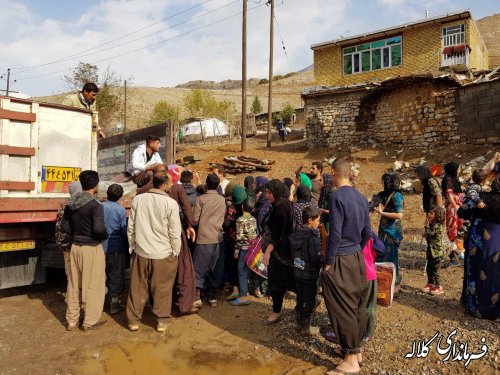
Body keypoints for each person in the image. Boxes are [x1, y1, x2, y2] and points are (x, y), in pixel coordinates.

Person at [322, 158, 371, 375]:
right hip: (357, 256)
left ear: (333, 172)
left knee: (342, 307)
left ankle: (351, 359)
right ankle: (356, 351)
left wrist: (329, 261)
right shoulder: (360, 196)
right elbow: (368, 232)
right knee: (356, 304)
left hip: (342, 257)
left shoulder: (336, 196)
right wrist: (355, 249)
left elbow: (335, 234)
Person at [126, 173, 181, 332]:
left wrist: (132, 246)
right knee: (163, 287)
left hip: (141, 250)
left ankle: (133, 321)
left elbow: (131, 226)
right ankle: (162, 321)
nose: (172, 186)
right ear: (163, 185)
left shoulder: (138, 199)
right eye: (170, 183)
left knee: (137, 287)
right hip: (163, 253)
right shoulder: (170, 203)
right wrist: (175, 252)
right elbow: (174, 232)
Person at [61, 170, 108, 331]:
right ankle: (89, 321)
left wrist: (77, 234)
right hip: (92, 248)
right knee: (93, 284)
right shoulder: (95, 205)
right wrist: (104, 236)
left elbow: (65, 227)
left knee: (74, 284)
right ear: (95, 185)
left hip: (75, 247)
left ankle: (71, 320)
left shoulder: (71, 204)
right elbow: (99, 229)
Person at [459, 173, 500, 319]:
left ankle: (474, 305)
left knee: (475, 270)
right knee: (495, 273)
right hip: (497, 241)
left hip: (478, 239)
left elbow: (462, 212)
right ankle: (494, 309)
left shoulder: (481, 196)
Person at [261, 179, 295, 324]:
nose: (267, 196)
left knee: (277, 282)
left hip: (279, 253)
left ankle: (276, 311)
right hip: (280, 250)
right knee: (288, 279)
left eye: (269, 193)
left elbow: (278, 234)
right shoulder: (280, 204)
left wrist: (268, 251)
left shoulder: (281, 207)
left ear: (276, 191)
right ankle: (310, 299)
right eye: (266, 193)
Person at [192, 173, 227, 308]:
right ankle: (213, 296)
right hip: (218, 238)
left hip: (203, 238)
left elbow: (195, 220)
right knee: (214, 267)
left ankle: (197, 296)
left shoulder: (200, 199)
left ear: (206, 184)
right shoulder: (222, 200)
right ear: (217, 185)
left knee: (199, 268)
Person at [288, 206, 322, 335]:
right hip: (310, 273)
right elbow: (315, 257)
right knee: (309, 300)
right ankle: (305, 328)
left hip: (297, 271)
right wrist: (323, 261)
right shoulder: (312, 237)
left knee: (300, 297)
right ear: (309, 220)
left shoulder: (296, 233)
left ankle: (298, 323)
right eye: (317, 220)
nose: (319, 223)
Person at [167, 176, 198, 315]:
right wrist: (190, 224)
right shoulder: (177, 189)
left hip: (156, 240)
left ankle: (163, 306)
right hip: (176, 234)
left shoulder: (143, 193)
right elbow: (187, 210)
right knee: (184, 268)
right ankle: (184, 305)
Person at [373, 172, 404, 289]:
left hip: (392, 232)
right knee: (383, 255)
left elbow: (399, 214)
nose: (382, 183)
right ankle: (386, 283)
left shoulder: (397, 195)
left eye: (383, 181)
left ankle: (395, 285)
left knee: (391, 257)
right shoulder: (385, 194)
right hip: (384, 230)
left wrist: (381, 213)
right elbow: (374, 199)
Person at [102, 184, 128, 314]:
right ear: (120, 196)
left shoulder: (99, 207)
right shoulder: (121, 211)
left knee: (102, 275)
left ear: (107, 193)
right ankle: (114, 303)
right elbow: (124, 231)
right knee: (116, 275)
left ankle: (101, 302)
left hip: (101, 247)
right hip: (116, 247)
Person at [231, 197, 257, 306]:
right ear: (253, 209)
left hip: (244, 249)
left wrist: (236, 250)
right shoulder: (253, 219)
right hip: (253, 249)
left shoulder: (240, 220)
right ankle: (248, 291)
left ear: (242, 207)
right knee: (249, 271)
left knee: (241, 271)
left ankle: (243, 297)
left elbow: (239, 237)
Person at [55, 181, 82, 281]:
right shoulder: (82, 203)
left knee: (70, 271)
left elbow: (59, 225)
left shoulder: (64, 204)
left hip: (66, 244)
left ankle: (71, 293)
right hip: (78, 242)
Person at [224, 185, 247, 301]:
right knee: (243, 267)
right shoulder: (248, 206)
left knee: (233, 265)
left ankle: (235, 290)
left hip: (234, 242)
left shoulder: (232, 208)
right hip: (246, 242)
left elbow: (226, 224)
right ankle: (245, 290)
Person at [441, 161, 464, 268]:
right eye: (458, 168)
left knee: (459, 229)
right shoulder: (448, 179)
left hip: (457, 207)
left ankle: (458, 252)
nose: (459, 170)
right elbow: (449, 194)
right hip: (452, 208)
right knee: (452, 229)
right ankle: (454, 257)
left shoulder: (453, 178)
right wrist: (455, 205)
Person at [421, 206, 446, 296]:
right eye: (429, 212)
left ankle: (439, 286)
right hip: (431, 251)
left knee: (436, 270)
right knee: (429, 268)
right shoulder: (432, 225)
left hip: (437, 253)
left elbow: (430, 233)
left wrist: (426, 227)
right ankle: (430, 283)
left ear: (438, 215)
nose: (428, 214)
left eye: (431, 213)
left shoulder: (438, 226)